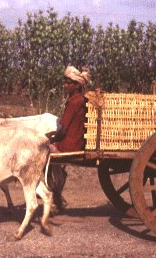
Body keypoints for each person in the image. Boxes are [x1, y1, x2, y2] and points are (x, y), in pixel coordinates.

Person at [46, 65, 91, 213]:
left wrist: (51, 139)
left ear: (77, 85)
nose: (64, 85)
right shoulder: (78, 99)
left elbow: (63, 128)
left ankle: (53, 192)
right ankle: (56, 191)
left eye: (68, 83)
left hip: (69, 145)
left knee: (41, 150)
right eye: (64, 82)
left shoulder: (74, 101)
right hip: (75, 140)